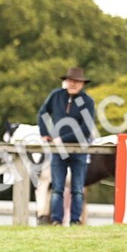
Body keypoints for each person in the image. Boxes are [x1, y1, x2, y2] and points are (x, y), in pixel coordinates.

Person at [38, 66, 97, 226]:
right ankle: (56, 220)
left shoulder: (88, 102)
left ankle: (75, 221)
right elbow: (43, 113)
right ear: (66, 81)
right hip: (58, 151)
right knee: (57, 188)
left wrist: (61, 139)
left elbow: (85, 129)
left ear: (82, 84)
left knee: (77, 189)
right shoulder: (56, 96)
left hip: (79, 150)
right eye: (71, 81)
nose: (73, 84)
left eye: (77, 82)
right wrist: (45, 133)